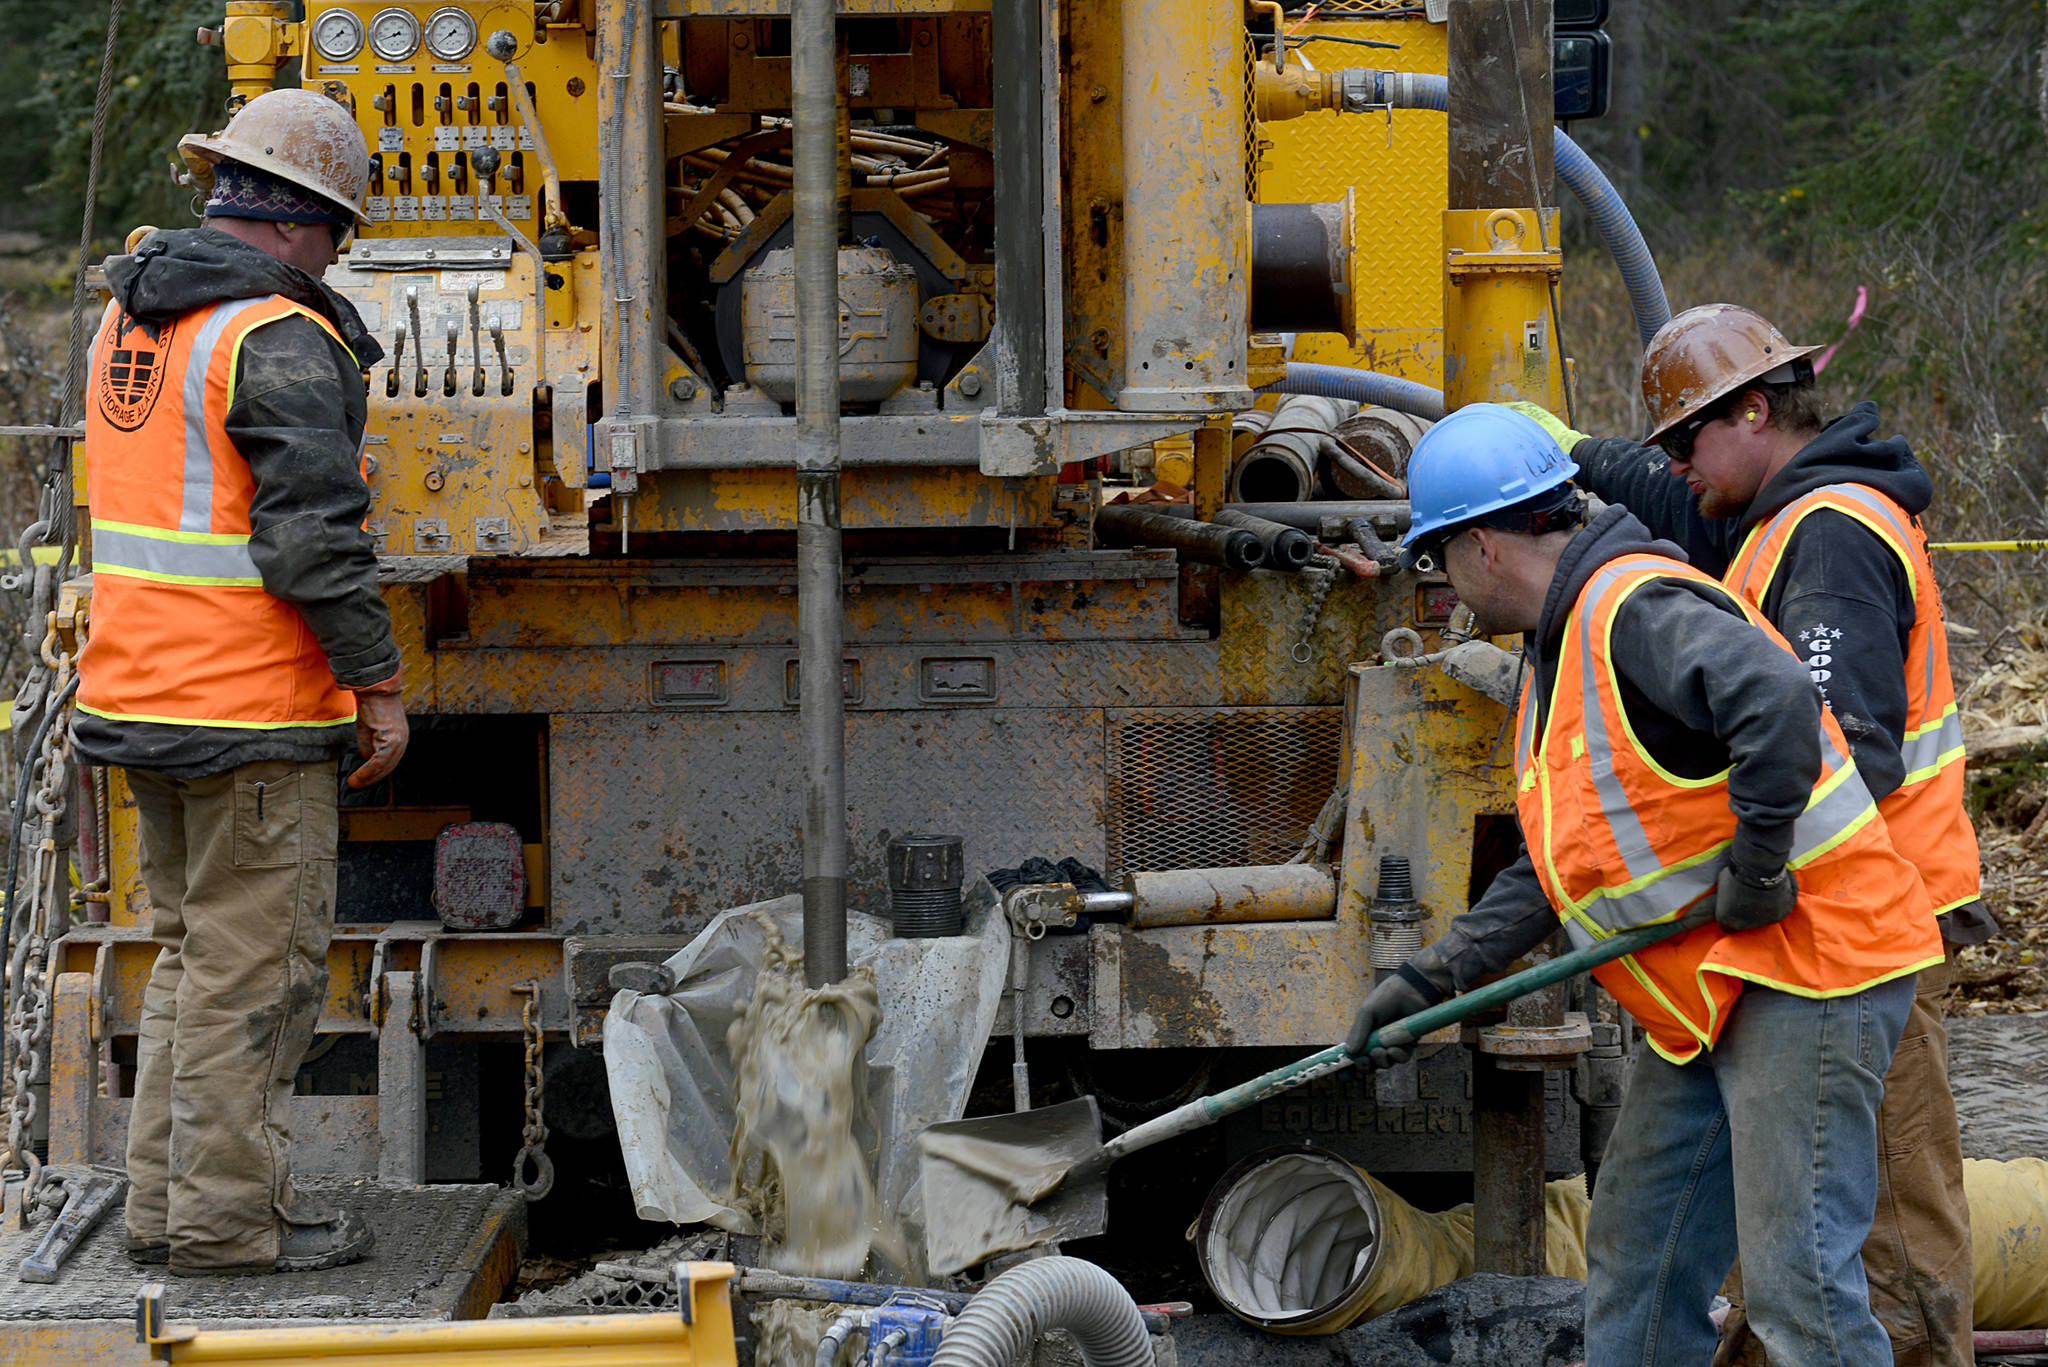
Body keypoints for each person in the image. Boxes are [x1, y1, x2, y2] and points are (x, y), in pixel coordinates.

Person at [1347, 404, 1944, 1366]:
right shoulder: (1561, 643)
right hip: (1711, 994)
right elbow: (1570, 862)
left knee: (1800, 1293)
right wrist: (1430, 978)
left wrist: (1756, 865)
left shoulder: (1634, 607)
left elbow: (1780, 698)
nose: (1440, 585)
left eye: (1436, 560)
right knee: (1639, 1259)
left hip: (1811, 969)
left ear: (1485, 547)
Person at [1510, 304, 1980, 1366]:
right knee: (1782, 1255)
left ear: (1754, 412)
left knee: (1874, 1255)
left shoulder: (1828, 536)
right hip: (1802, 935)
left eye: (1685, 441)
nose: (1675, 469)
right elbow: (1666, 507)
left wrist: (1752, 862)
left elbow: (1840, 751)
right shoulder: (1781, 516)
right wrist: (1572, 452)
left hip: (1861, 925)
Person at [78, 87, 408, 1276]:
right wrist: (377, 681)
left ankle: (169, 1209)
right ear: (299, 221)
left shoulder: (135, 322)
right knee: (252, 980)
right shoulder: (273, 334)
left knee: (187, 959)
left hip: (138, 695)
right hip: (248, 713)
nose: (335, 259)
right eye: (338, 235)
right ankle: (226, 1226)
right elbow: (312, 537)